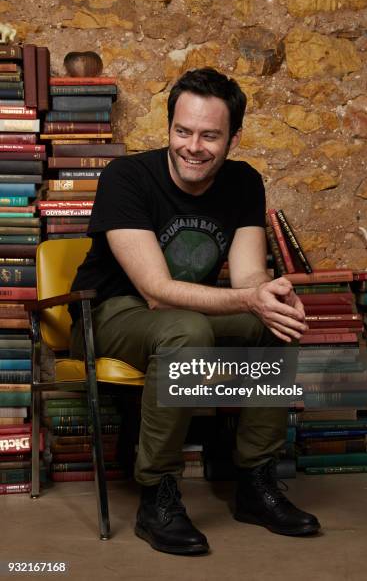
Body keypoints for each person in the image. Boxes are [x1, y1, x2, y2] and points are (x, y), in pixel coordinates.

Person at [69, 67, 321, 555]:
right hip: (108, 314)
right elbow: (156, 291)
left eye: (210, 135)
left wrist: (271, 294)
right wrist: (247, 297)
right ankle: (157, 494)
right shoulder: (126, 177)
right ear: (169, 128)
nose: (193, 146)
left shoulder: (244, 182)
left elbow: (248, 278)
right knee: (186, 332)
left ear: (233, 138)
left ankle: (254, 481)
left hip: (185, 315)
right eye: (182, 131)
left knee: (274, 324)